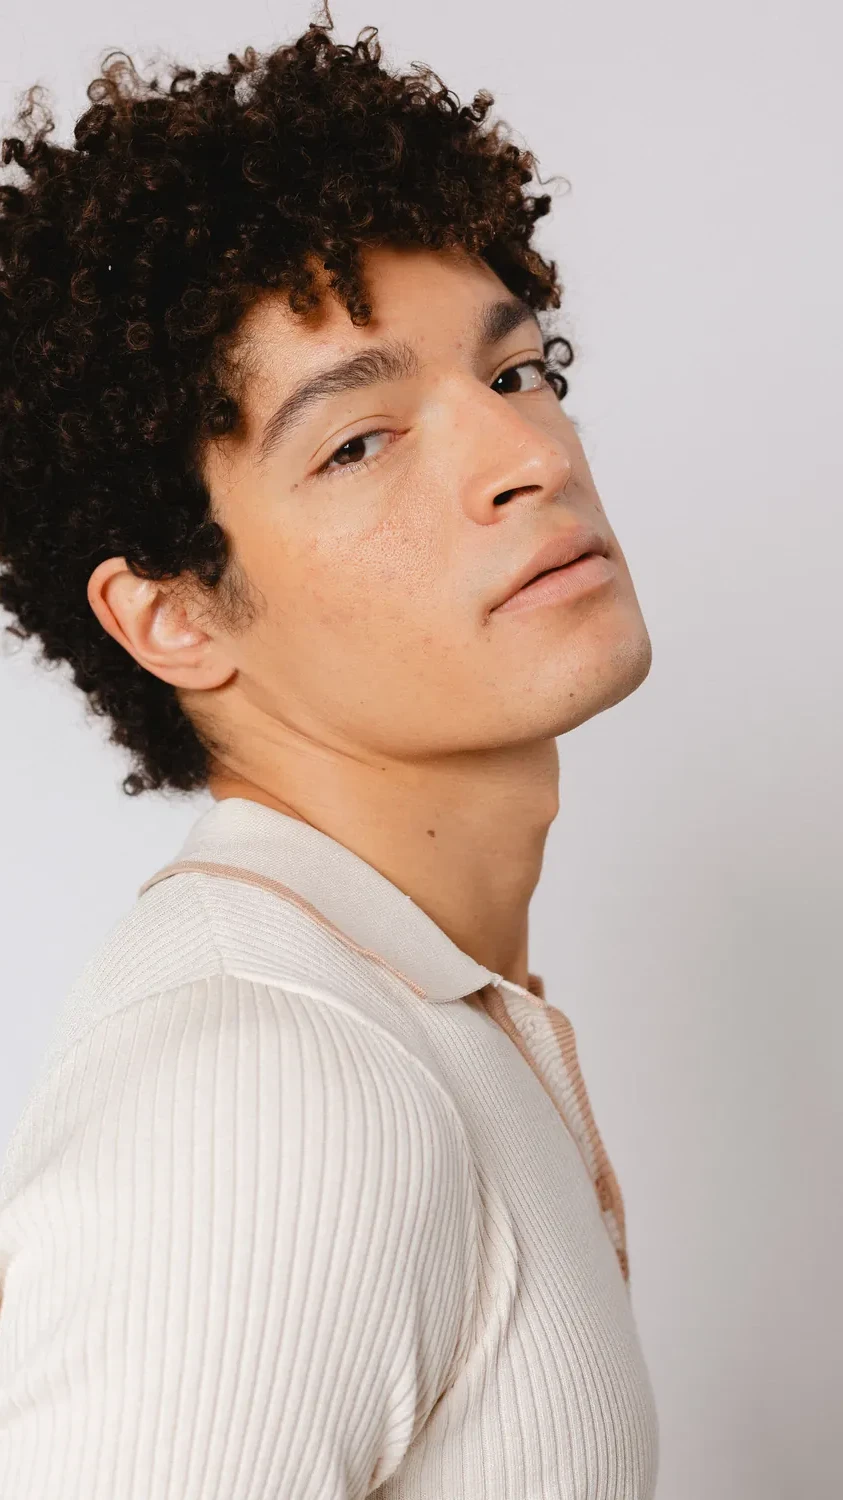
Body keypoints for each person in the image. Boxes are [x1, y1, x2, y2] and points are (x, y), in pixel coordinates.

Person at [0, 7, 659, 1496]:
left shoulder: (413, 1009)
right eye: (358, 442)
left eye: (514, 372)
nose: (530, 457)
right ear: (173, 616)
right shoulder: (274, 1082)